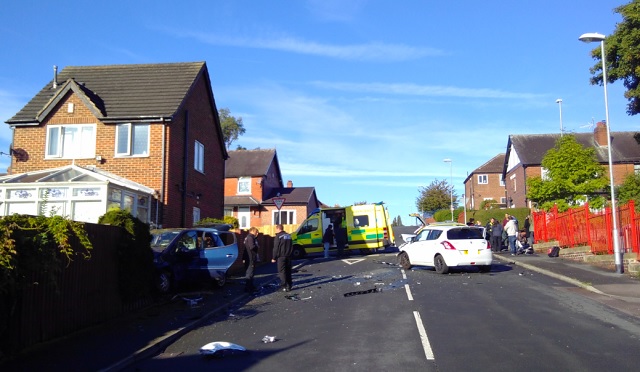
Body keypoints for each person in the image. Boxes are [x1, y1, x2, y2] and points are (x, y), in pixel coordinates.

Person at [272, 224, 293, 292]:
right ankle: (289, 285)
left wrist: (274, 257)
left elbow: (276, 248)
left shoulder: (278, 236)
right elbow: (291, 246)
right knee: (288, 271)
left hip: (281, 256)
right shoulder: (288, 235)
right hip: (289, 256)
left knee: (282, 271)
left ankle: (284, 285)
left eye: (276, 229)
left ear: (278, 229)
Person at [243, 227, 259, 292]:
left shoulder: (248, 237)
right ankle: (248, 287)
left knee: (249, 272)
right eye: (256, 232)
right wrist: (257, 247)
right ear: (252, 231)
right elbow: (252, 247)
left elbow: (245, 249)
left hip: (248, 257)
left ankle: (250, 286)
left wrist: (243, 258)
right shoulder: (250, 237)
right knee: (250, 273)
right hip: (250, 258)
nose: (257, 233)